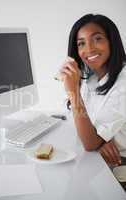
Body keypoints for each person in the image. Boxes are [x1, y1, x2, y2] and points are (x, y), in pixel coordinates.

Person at [59, 13, 126, 166]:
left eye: (97, 39)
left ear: (111, 41)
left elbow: (89, 143)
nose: (88, 49)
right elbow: (83, 126)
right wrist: (100, 141)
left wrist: (73, 92)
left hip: (119, 163)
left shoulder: (123, 83)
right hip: (99, 158)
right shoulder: (91, 77)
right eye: (81, 43)